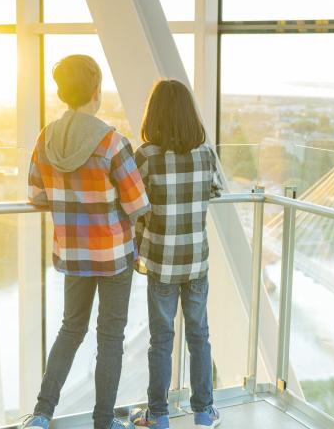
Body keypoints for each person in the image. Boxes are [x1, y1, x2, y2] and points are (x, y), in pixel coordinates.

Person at [23, 55, 150, 429]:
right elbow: (137, 203)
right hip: (113, 257)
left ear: (63, 93)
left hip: (73, 254)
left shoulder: (45, 139)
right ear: (97, 91)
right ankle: (103, 422)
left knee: (70, 329)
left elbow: (36, 195)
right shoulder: (112, 143)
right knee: (110, 336)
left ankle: (42, 414)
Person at [129, 79, 223, 429]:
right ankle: (203, 411)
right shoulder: (205, 154)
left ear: (154, 115)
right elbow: (215, 190)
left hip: (161, 262)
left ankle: (158, 415)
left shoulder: (147, 157)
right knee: (199, 336)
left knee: (161, 339)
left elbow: (135, 206)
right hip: (196, 260)